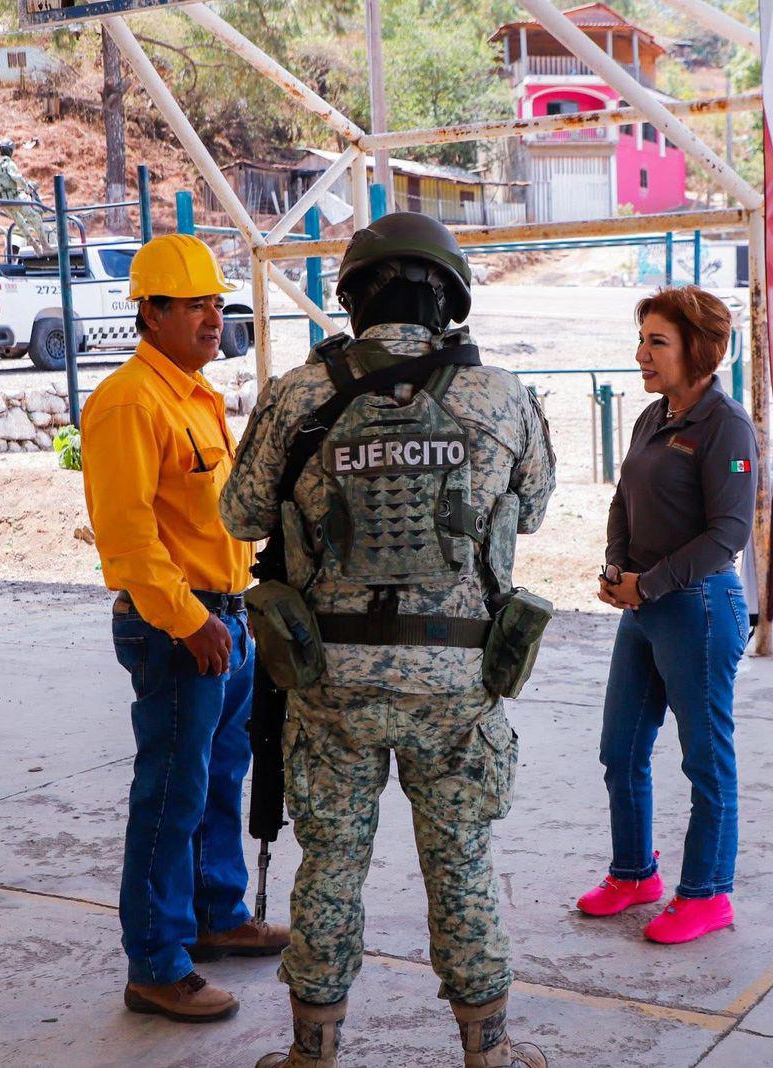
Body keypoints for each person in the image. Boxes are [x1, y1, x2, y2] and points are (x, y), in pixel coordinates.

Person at [221, 212, 556, 1068]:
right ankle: (488, 1052)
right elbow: (536, 508)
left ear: (353, 296)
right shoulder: (502, 395)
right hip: (458, 684)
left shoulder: (300, 394)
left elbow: (240, 516)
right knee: (463, 863)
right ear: (449, 298)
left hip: (332, 683)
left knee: (329, 864)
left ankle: (312, 1052)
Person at [80, 234, 289, 1025]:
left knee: (220, 779)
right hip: (178, 630)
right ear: (151, 312)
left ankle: (216, 914)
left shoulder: (193, 395)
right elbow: (130, 541)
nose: (213, 315)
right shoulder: (130, 403)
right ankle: (158, 964)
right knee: (170, 794)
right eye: (196, 303)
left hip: (225, 622)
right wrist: (195, 623)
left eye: (215, 300)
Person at [579, 285, 756, 946]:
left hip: (697, 608)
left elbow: (727, 535)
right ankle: (635, 875)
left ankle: (709, 893)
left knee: (705, 758)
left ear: (699, 352)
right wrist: (615, 567)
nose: (642, 354)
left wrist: (646, 585)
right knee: (619, 749)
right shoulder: (651, 418)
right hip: (644, 603)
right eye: (643, 339)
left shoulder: (727, 426)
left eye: (658, 342)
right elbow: (624, 498)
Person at [0, 137, 52, 252]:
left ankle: (36, 248)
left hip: (2, 203)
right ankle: (45, 246)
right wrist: (27, 189)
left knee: (21, 224)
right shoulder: (8, 163)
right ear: (11, 151)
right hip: (14, 199)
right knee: (35, 218)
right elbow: (17, 178)